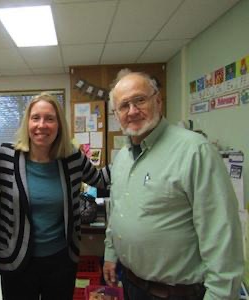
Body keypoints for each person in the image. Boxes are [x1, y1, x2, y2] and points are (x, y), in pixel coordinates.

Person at [103, 70, 244, 299]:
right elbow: (118, 211)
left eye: (140, 100)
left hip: (176, 293)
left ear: (157, 100)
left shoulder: (195, 151)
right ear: (116, 114)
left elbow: (222, 236)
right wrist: (110, 254)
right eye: (123, 105)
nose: (132, 111)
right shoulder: (122, 157)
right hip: (132, 285)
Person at [0, 92, 110, 300]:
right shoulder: (6, 156)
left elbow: (100, 179)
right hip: (17, 260)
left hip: (61, 260)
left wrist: (131, 156)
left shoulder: (71, 158)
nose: (41, 125)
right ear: (27, 122)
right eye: (35, 117)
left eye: (50, 118)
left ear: (59, 125)